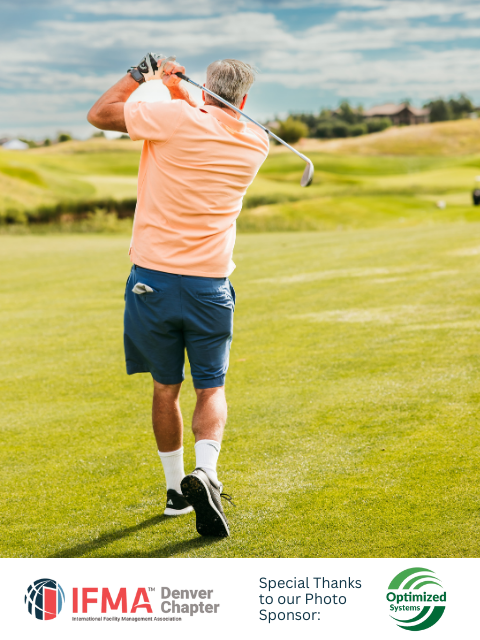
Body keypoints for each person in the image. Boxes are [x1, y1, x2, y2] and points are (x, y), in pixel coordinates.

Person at [87, 53, 269, 538]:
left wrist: (144, 75)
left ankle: (174, 493)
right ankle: (205, 473)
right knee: (211, 386)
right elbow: (209, 116)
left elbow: (101, 114)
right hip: (211, 286)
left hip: (153, 282)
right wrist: (178, 89)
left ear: (205, 87)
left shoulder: (173, 119)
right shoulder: (257, 143)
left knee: (165, 388)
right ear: (245, 99)